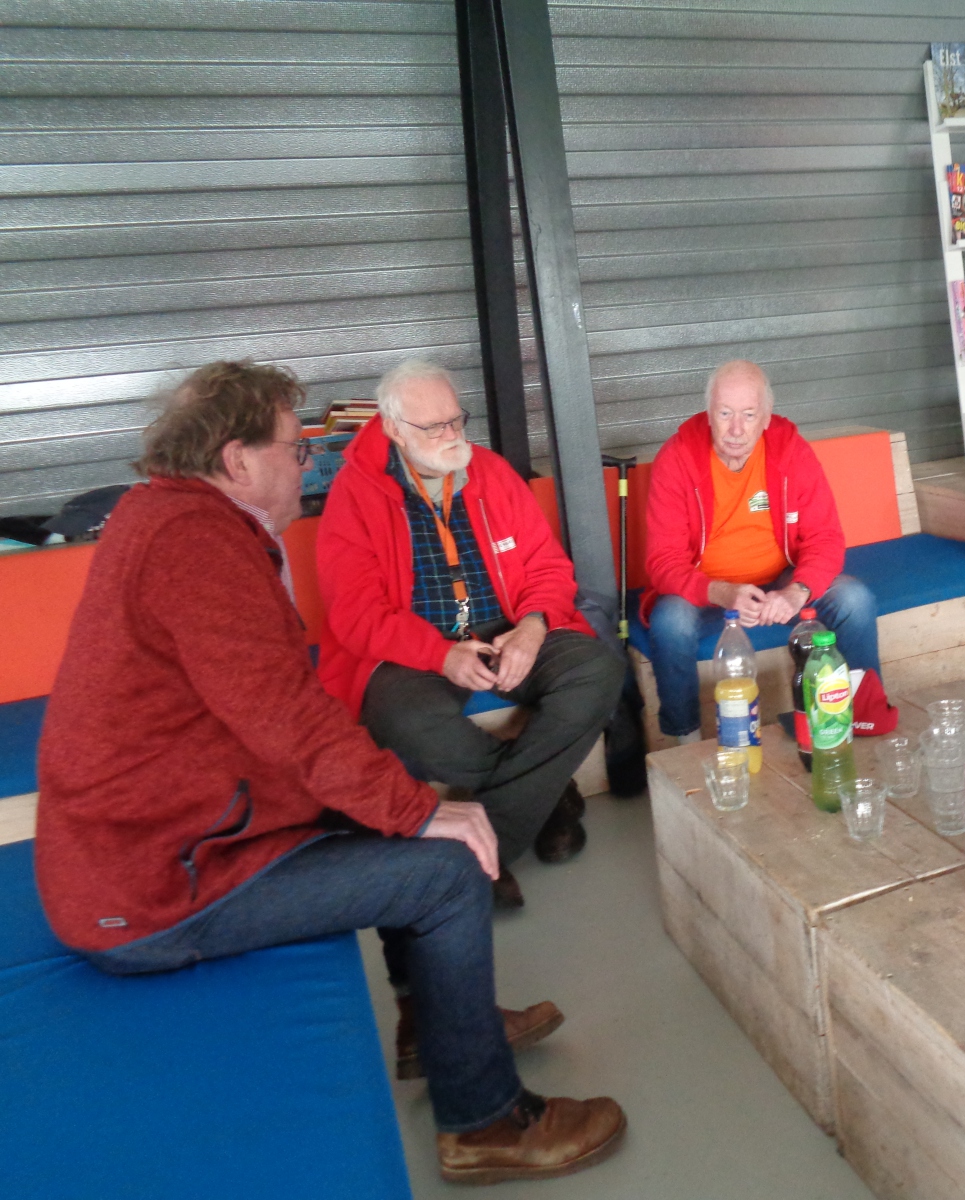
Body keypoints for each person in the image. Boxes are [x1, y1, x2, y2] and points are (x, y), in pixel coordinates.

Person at [32, 361, 625, 1182]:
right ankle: (486, 1122)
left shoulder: (173, 519)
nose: (305, 463)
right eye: (293, 447)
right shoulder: (194, 546)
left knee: (388, 815)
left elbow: (269, 710)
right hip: (156, 883)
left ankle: (430, 1024)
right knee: (446, 872)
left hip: (179, 832)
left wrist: (398, 802)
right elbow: (288, 712)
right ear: (237, 460)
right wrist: (422, 811)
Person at [317, 360, 623, 908]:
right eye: (434, 426)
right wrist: (440, 655)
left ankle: (487, 849)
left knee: (596, 669)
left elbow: (549, 568)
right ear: (393, 429)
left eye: (457, 419)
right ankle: (550, 799)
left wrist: (532, 626)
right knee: (402, 720)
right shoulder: (354, 494)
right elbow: (355, 613)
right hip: (416, 649)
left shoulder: (492, 473)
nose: (452, 434)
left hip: (507, 629)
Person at [640, 360, 880, 743]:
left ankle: (864, 718)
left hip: (780, 580)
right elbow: (662, 561)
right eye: (725, 414)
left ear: (766, 417)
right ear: (709, 414)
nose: (736, 429)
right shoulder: (678, 457)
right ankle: (684, 743)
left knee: (855, 599)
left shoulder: (791, 451)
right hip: (707, 590)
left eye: (749, 415)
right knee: (669, 622)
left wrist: (797, 591)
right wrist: (722, 592)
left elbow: (825, 538)